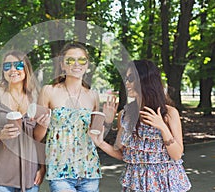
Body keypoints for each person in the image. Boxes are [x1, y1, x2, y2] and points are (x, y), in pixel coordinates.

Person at [90, 59, 191, 191]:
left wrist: (162, 127)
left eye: (131, 78)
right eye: (126, 78)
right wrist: (100, 142)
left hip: (165, 182)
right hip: (136, 182)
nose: (126, 83)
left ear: (146, 80)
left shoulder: (169, 113)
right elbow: (124, 154)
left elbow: (177, 155)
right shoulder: (125, 115)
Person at [34, 42, 118, 192]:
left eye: (82, 60)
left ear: (87, 65)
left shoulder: (92, 95)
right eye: (70, 60)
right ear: (62, 65)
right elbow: (37, 137)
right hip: (60, 171)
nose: (76, 64)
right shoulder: (48, 91)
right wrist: (44, 125)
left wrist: (108, 120)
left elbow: (95, 134)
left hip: (89, 170)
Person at [0, 50, 45, 192]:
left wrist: (42, 167)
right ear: (3, 71)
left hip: (30, 179)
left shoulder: (36, 96)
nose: (13, 69)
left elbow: (37, 138)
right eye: (7, 66)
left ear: (26, 68)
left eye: (18, 65)